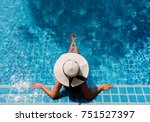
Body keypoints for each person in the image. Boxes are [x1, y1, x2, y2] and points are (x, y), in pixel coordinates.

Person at [32, 34, 112, 100]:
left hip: (68, 79)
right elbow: (89, 96)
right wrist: (101, 87)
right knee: (76, 54)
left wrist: (41, 86)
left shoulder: (61, 78)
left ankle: (72, 42)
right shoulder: (81, 79)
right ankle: (74, 43)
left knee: (68, 60)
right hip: (76, 78)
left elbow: (53, 96)